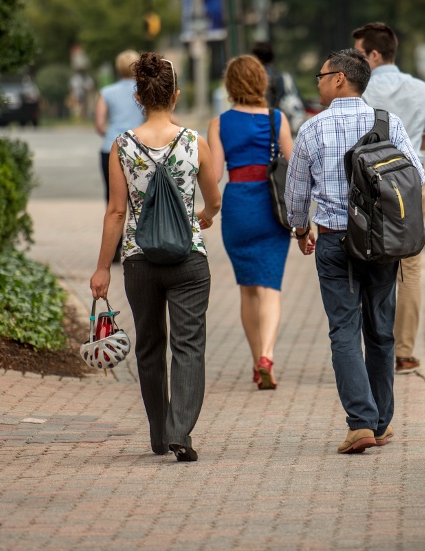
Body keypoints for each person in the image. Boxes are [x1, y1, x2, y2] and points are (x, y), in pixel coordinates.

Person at [285, 49, 424, 454]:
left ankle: (360, 423)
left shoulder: (313, 129)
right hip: (382, 243)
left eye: (321, 75)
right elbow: (416, 176)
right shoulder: (388, 123)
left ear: (340, 79)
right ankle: (380, 424)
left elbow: (295, 192)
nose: (319, 82)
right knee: (381, 332)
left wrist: (299, 228)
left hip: (336, 241)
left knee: (343, 330)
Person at [90, 52, 222, 462]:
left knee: (150, 345)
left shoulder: (122, 146)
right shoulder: (194, 142)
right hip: (188, 259)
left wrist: (101, 268)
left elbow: (116, 211)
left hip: (138, 259)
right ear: (176, 96)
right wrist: (204, 216)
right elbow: (214, 197)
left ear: (138, 96)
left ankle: (159, 434)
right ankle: (182, 430)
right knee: (189, 344)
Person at [352, 22, 425, 375]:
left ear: (374, 54)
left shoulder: (357, 91)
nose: (355, 60)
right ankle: (404, 352)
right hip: (411, 183)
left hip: (369, 184)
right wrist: (411, 134)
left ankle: (375, 348)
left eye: (359, 53)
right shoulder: (422, 90)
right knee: (410, 267)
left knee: (370, 261)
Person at [207, 55, 293, 390]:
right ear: (262, 82)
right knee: (270, 287)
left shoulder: (219, 123)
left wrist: (206, 212)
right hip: (272, 206)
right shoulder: (276, 118)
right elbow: (293, 164)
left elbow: (214, 175)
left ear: (230, 86)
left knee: (247, 289)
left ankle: (256, 362)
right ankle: (268, 356)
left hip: (238, 206)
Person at [95, 50, 145, 261]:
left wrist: (111, 135)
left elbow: (99, 123)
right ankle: (141, 244)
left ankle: (115, 249)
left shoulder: (107, 92)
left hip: (111, 149)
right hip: (140, 149)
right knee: (141, 198)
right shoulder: (143, 90)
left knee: (113, 199)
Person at [251, 41, 307, 134]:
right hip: (285, 125)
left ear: (255, 58)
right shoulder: (280, 76)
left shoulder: (258, 79)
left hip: (268, 127)